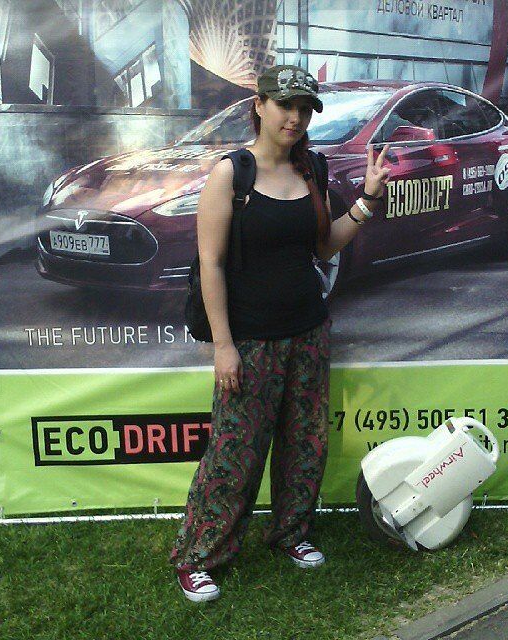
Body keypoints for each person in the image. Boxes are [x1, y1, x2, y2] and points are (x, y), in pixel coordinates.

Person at [170, 64, 391, 603]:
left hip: (308, 331)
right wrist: (224, 345)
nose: (295, 117)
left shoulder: (312, 170)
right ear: (260, 106)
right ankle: (199, 556)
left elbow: (324, 245)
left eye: (304, 108)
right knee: (235, 452)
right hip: (250, 340)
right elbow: (210, 264)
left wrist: (366, 200)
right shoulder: (231, 175)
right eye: (285, 105)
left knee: (305, 443)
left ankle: (291, 533)